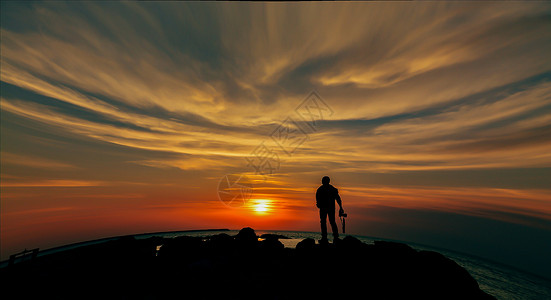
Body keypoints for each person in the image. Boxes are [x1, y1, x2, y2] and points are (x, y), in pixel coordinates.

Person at [316, 176, 344, 244]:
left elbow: (338, 199)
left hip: (328, 208)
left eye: (323, 180)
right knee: (326, 222)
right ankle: (327, 237)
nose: (322, 182)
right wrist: (340, 207)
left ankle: (333, 237)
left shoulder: (326, 189)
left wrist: (341, 207)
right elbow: (317, 199)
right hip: (326, 208)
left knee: (329, 222)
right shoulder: (322, 189)